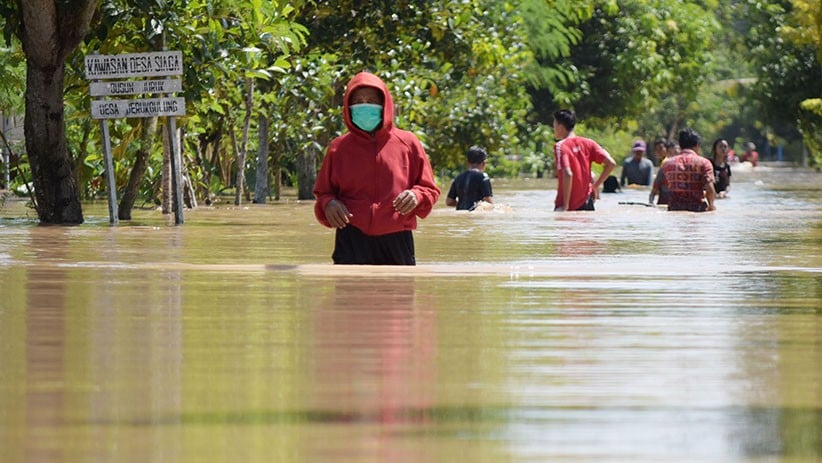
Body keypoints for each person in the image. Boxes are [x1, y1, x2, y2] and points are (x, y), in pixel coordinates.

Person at [313, 72, 441, 265]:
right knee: (348, 293)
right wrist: (329, 204)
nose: (365, 105)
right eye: (358, 101)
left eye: (372, 100)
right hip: (351, 237)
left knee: (399, 294)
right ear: (348, 107)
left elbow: (430, 189)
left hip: (397, 238)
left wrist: (417, 196)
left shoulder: (408, 143)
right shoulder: (338, 148)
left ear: (385, 105)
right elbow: (323, 192)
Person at [551, 109, 616, 211]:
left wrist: (565, 205)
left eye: (554, 124)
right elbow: (611, 163)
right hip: (587, 202)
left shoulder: (560, 146)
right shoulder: (589, 143)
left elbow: (568, 174)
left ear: (560, 126)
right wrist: (595, 186)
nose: (553, 128)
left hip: (569, 205)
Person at [658, 128, 716, 212]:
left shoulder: (668, 164)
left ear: (680, 145)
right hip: (697, 210)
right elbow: (710, 190)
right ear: (697, 145)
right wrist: (711, 206)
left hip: (674, 210)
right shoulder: (704, 163)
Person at [446, 146, 493, 210]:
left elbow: (449, 201)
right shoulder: (483, 176)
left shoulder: (458, 177)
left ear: (467, 162)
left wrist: (462, 203)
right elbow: (488, 202)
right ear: (484, 163)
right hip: (476, 215)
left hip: (460, 212)